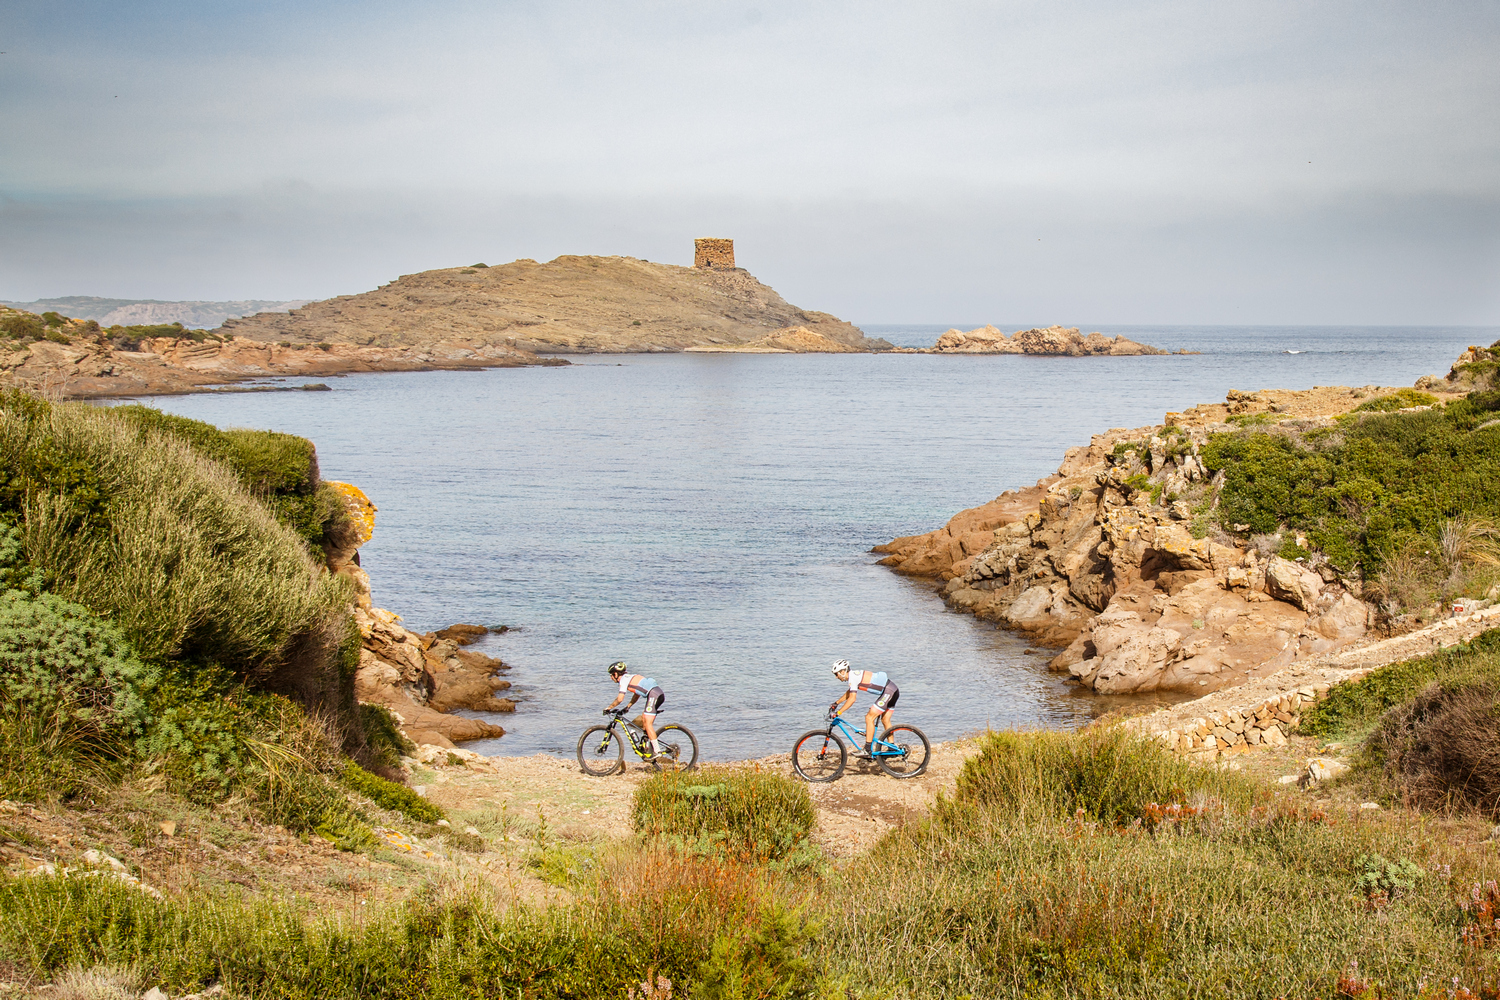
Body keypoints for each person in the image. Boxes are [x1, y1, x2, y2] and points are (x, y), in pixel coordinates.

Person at [829, 659, 898, 758]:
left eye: (836, 674)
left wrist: (839, 712)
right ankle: (892, 747)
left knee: (869, 718)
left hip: (888, 691)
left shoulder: (852, 678)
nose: (836, 677)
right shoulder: (853, 676)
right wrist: (836, 703)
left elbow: (852, 699)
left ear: (843, 671)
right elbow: (850, 692)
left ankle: (867, 749)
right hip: (893, 689)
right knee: (885, 719)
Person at [603, 661, 665, 757]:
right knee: (643, 720)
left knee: (648, 724)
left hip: (653, 695)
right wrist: (628, 706)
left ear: (615, 674)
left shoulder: (623, 680)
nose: (611, 678)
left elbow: (620, 699)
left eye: (611, 675)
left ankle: (657, 751)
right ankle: (647, 747)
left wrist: (609, 707)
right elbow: (637, 694)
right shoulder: (630, 677)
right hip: (657, 693)